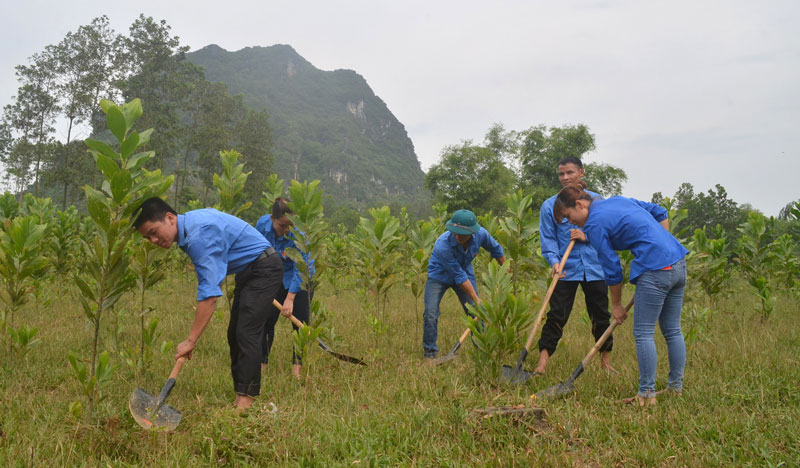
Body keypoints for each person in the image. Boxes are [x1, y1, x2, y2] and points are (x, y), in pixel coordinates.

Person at [133, 197, 283, 411]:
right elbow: (214, 273)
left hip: (264, 267)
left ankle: (246, 403)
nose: (154, 241)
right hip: (249, 268)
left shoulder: (198, 235)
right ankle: (241, 395)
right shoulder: (190, 229)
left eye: (154, 232)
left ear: (169, 218)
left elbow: (210, 295)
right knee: (235, 333)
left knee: (247, 331)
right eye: (148, 238)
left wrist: (191, 340)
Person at [553, 183, 689, 406]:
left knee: (643, 332)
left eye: (569, 216)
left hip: (657, 269)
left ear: (580, 204)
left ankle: (646, 394)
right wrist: (660, 246)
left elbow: (612, 269)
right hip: (678, 263)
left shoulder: (594, 225)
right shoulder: (617, 200)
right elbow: (659, 212)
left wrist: (616, 305)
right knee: (672, 330)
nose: (571, 223)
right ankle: (675, 388)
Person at [536, 156, 615, 375]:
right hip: (565, 269)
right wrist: (554, 262)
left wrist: (586, 236)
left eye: (570, 172)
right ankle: (541, 364)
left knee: (600, 316)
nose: (565, 177)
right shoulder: (549, 206)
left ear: (581, 172)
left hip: (595, 267)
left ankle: (606, 362)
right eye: (561, 174)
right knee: (556, 316)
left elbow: (608, 233)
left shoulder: (597, 201)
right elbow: (548, 239)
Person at [423, 209, 505, 359]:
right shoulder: (442, 245)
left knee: (475, 312)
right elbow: (458, 276)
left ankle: (481, 350)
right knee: (430, 313)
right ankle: (430, 353)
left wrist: (506, 271)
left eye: (461, 233)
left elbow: (496, 249)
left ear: (472, 232)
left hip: (464, 271)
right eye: (454, 232)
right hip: (439, 275)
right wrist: (477, 299)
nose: (457, 236)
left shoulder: (481, 234)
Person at [255, 197, 312, 379]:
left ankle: (297, 367)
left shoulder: (299, 233)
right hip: (273, 277)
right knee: (266, 321)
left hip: (300, 279)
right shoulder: (261, 226)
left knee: (300, 324)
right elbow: (255, 252)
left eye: (290, 226)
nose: (286, 230)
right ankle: (262, 363)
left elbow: (301, 267)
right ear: (272, 217)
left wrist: (290, 298)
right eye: (282, 225)